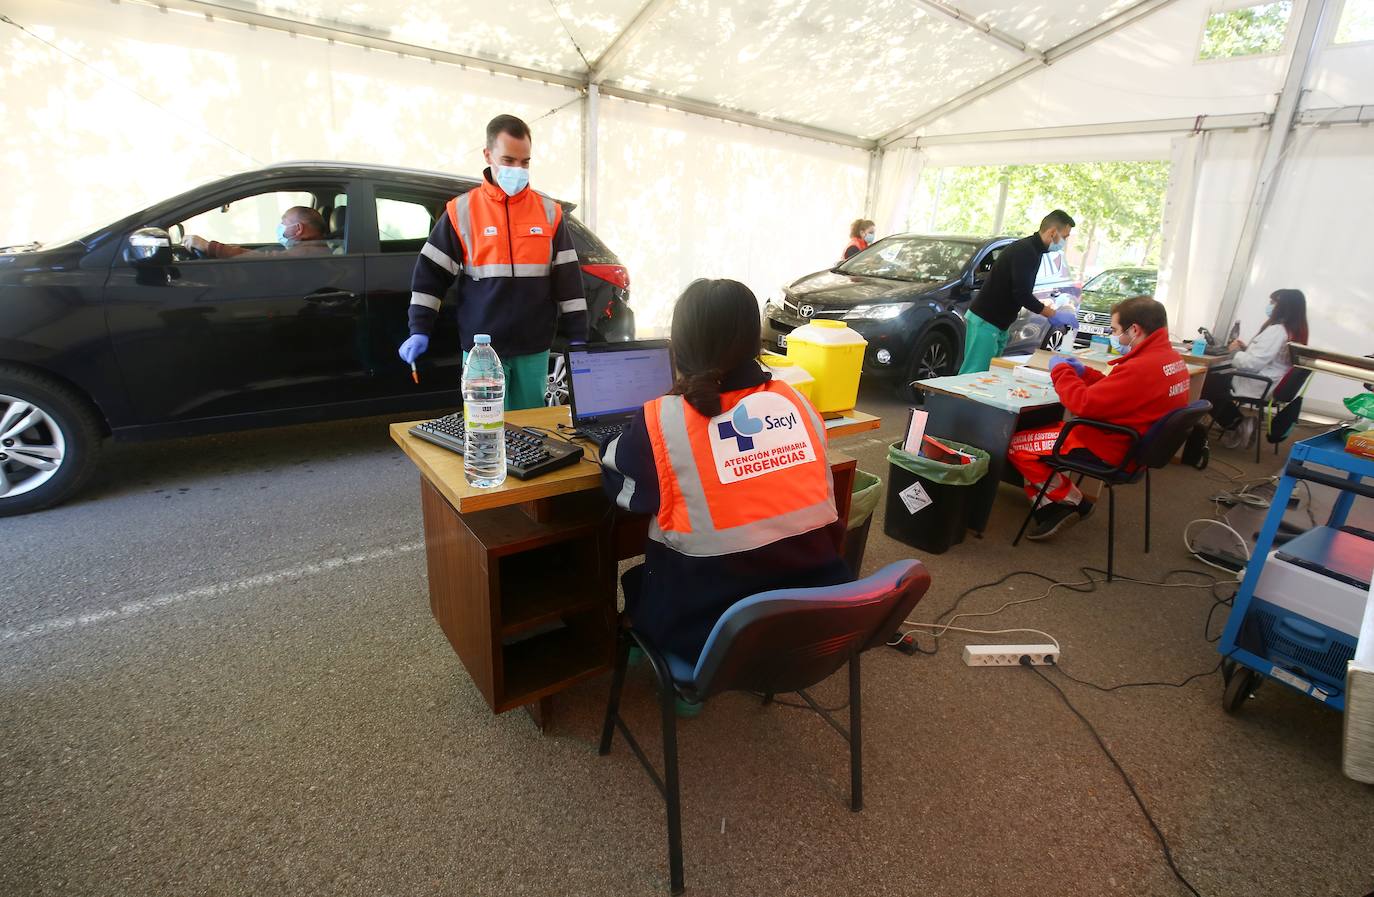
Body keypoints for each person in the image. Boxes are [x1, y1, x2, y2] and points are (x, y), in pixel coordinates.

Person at [598, 278, 851, 691]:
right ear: (756, 340)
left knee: (636, 583)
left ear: (677, 345)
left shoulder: (662, 420)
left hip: (708, 633)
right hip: (818, 616)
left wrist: (619, 439)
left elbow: (625, 491)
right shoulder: (797, 403)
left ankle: (682, 689)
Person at [399, 114, 588, 410]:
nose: (518, 169)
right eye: (509, 160)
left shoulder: (549, 213)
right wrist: (419, 328)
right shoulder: (462, 211)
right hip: (482, 350)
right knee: (484, 430)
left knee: (532, 435)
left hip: (533, 350)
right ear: (488, 155)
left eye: (525, 162)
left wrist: (578, 337)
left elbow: (569, 282)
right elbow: (430, 274)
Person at [1008, 295, 1190, 540]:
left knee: (1017, 445)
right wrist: (1086, 373)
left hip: (1107, 445)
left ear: (1134, 329)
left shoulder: (1142, 367)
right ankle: (1051, 510)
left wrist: (1060, 370)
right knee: (1040, 441)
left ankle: (1076, 503)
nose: (1114, 336)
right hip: (1132, 446)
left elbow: (1081, 404)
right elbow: (1122, 392)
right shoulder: (1171, 360)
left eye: (1116, 330)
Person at [958, 210, 1080, 375]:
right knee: (973, 375)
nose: (1065, 242)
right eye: (1065, 236)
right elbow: (1022, 294)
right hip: (986, 321)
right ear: (1052, 232)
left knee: (988, 375)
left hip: (999, 324)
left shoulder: (1035, 251)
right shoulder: (1026, 251)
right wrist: (1052, 314)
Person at [1202, 289, 1309, 449]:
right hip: (1269, 382)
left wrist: (1235, 352)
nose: (1270, 306)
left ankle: (1237, 423)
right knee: (1214, 381)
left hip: (1259, 383)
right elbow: (1268, 358)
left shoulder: (1277, 331)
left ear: (1284, 307)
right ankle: (1235, 421)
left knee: (1205, 383)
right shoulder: (1295, 332)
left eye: (1273, 303)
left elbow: (1252, 364)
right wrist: (1247, 350)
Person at [183, 206, 330, 259]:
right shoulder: (314, 248)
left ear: (298, 229)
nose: (280, 226)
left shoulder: (308, 253)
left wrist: (210, 247)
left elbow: (264, 259)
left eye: (284, 221)